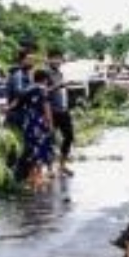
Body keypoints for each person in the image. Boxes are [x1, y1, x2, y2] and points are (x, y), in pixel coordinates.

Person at [20, 68, 56, 188]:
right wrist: (50, 124)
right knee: (40, 148)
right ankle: (39, 178)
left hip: (28, 121)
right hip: (39, 122)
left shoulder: (27, 89)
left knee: (30, 148)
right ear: (44, 79)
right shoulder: (43, 90)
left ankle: (31, 176)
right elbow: (46, 107)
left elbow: (19, 103)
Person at [46, 49, 75, 177]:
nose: (58, 61)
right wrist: (59, 85)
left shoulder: (59, 73)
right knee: (50, 139)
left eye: (60, 59)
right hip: (51, 110)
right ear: (49, 59)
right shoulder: (45, 73)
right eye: (55, 58)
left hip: (63, 110)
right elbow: (42, 90)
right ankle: (50, 168)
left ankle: (62, 165)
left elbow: (61, 89)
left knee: (69, 136)